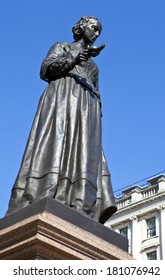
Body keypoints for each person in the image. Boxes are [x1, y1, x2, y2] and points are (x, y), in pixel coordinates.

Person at [6, 16, 117, 224]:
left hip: (87, 109)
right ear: (82, 27)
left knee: (83, 152)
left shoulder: (94, 66)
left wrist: (95, 116)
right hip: (62, 99)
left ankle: (79, 199)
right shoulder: (62, 47)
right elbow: (46, 70)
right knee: (56, 142)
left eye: (99, 31)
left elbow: (98, 93)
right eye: (94, 28)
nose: (96, 34)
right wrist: (76, 59)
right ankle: (45, 191)